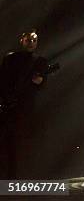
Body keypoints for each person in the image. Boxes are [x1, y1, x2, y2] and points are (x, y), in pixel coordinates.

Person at [0, 30, 48, 179]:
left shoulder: (40, 61)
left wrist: (40, 82)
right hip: (5, 105)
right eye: (28, 40)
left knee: (18, 142)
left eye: (34, 40)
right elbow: (2, 80)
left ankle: (13, 177)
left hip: (24, 108)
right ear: (22, 40)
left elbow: (41, 83)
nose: (31, 43)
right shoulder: (10, 58)